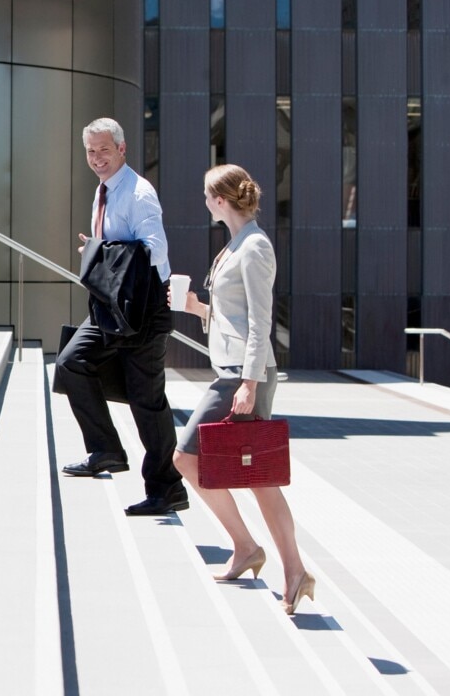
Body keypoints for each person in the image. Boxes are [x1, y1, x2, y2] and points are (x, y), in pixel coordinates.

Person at [172, 163, 315, 615]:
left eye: (206, 194)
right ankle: (273, 561)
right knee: (257, 478)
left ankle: (261, 553)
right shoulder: (235, 244)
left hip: (242, 375)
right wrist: (199, 308)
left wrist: (250, 383)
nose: (203, 201)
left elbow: (260, 322)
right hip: (235, 370)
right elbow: (234, 316)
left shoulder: (254, 246)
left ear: (220, 200)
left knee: (187, 457)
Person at [57, 117, 186, 516]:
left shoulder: (138, 192)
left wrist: (100, 253)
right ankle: (106, 449)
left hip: (143, 310)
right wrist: (98, 252)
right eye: (91, 152)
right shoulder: (103, 191)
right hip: (110, 306)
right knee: (71, 362)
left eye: (104, 151)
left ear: (122, 149)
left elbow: (154, 252)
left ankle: (167, 488)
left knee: (146, 401)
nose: (96, 159)